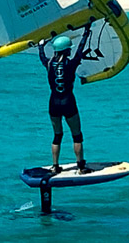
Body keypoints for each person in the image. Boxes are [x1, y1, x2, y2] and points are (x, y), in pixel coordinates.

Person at [38, 24, 92, 175]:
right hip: (68, 102)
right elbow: (81, 49)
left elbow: (41, 55)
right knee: (77, 135)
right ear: (67, 50)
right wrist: (87, 32)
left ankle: (55, 166)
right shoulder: (71, 63)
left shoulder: (48, 64)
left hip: (53, 103)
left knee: (57, 135)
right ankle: (81, 167)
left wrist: (40, 45)